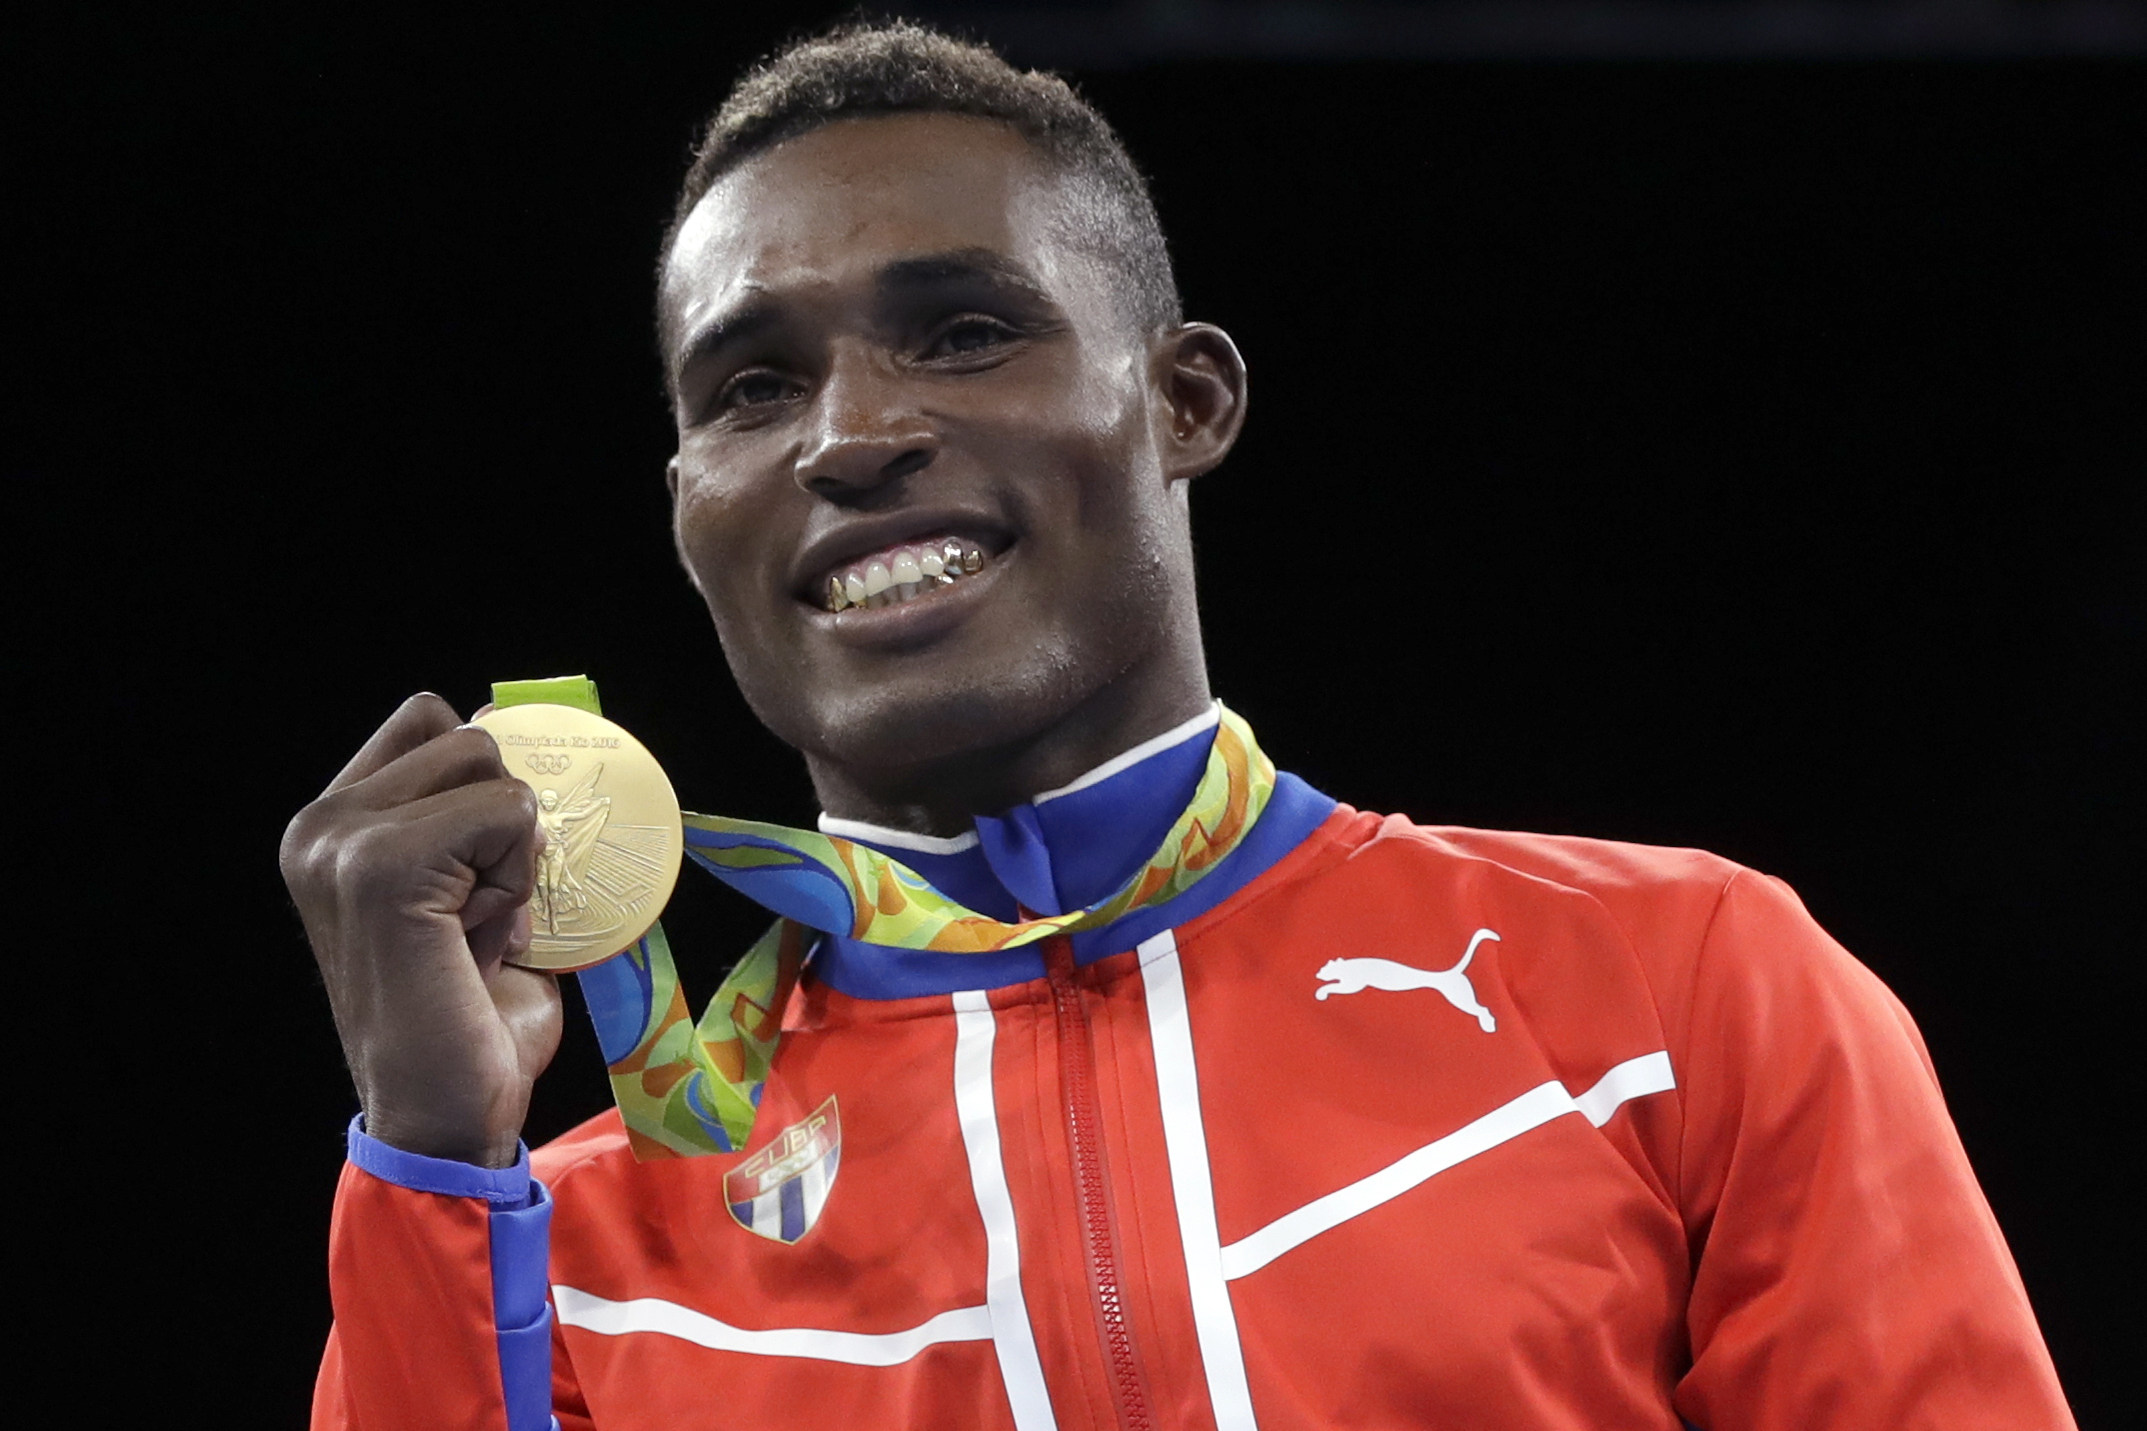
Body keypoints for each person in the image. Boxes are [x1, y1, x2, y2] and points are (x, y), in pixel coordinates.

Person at [280, 22, 2074, 1431]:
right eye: (754, 387)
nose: (848, 433)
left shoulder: (1668, 988)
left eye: (965, 331)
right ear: (692, 511)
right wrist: (436, 1164)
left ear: (1185, 400)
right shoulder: (589, 1235)